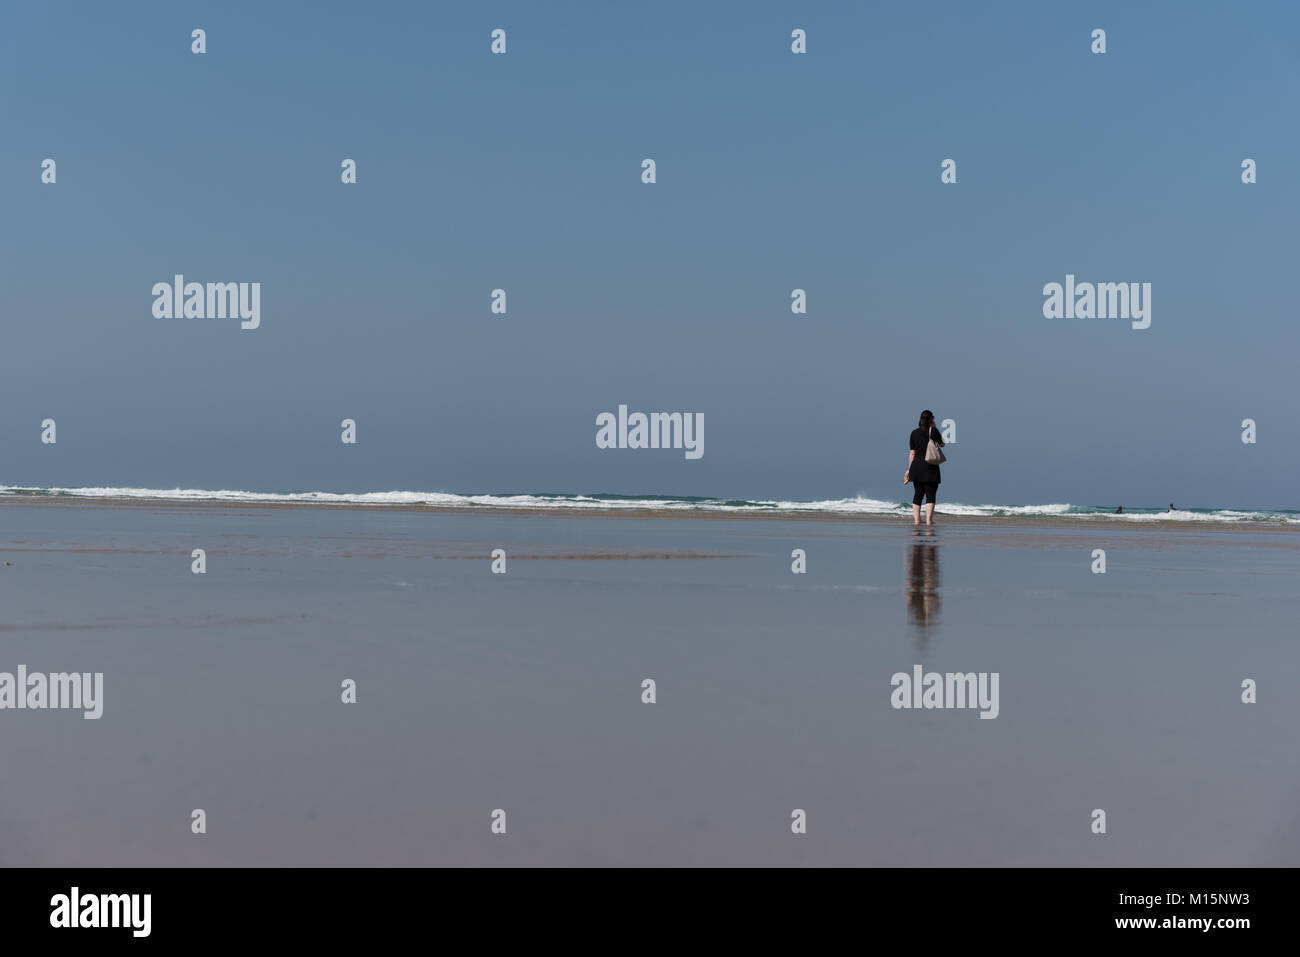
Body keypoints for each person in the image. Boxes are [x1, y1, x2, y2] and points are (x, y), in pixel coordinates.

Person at [904, 409, 945, 526]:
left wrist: (909, 469)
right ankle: (928, 521)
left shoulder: (914, 433)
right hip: (930, 467)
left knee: (918, 494)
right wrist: (935, 428)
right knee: (930, 495)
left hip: (916, 467)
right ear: (931, 419)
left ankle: (917, 521)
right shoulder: (933, 432)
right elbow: (942, 444)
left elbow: (912, 453)